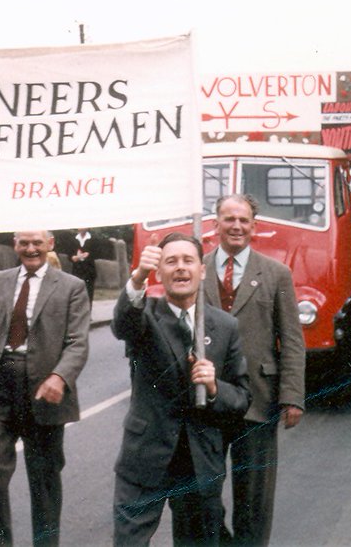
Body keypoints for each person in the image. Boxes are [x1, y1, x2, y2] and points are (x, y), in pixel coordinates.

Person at [112, 233, 250, 546]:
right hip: (146, 455)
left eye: (188, 260)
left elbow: (242, 397)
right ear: (159, 272)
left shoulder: (225, 325)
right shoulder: (145, 315)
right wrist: (138, 276)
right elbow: (123, 323)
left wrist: (214, 387)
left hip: (199, 460)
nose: (180, 268)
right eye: (170, 261)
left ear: (202, 270)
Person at [0, 230, 91, 546]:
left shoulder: (72, 287)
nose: (31, 248)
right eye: (24, 242)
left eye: (37, 242)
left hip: (44, 392)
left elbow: (78, 343)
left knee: (44, 480)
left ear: (50, 244)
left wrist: (59, 377)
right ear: (15, 245)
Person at [202, 195, 305, 547]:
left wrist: (292, 397)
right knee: (202, 495)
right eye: (229, 219)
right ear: (215, 224)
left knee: (254, 501)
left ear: (254, 227)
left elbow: (292, 340)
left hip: (258, 399)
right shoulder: (197, 268)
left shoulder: (276, 274)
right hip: (208, 401)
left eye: (243, 220)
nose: (236, 226)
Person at [58, 228, 111, 303]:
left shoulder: (93, 239)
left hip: (89, 271)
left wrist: (87, 255)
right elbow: (70, 255)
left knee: (88, 295)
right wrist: (75, 257)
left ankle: (88, 309)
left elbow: (98, 253)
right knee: (77, 294)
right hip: (77, 271)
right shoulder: (73, 240)